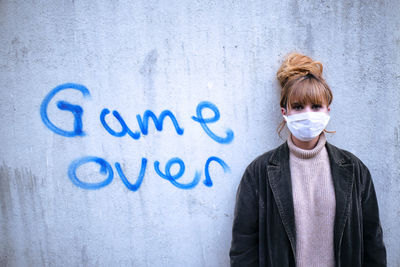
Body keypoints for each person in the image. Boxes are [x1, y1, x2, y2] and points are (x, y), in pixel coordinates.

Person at [229, 52, 386, 267]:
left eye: (316, 106)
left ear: (327, 111)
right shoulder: (259, 172)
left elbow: (372, 243)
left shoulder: (354, 170)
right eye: (298, 107)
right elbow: (243, 248)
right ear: (284, 112)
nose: (308, 114)